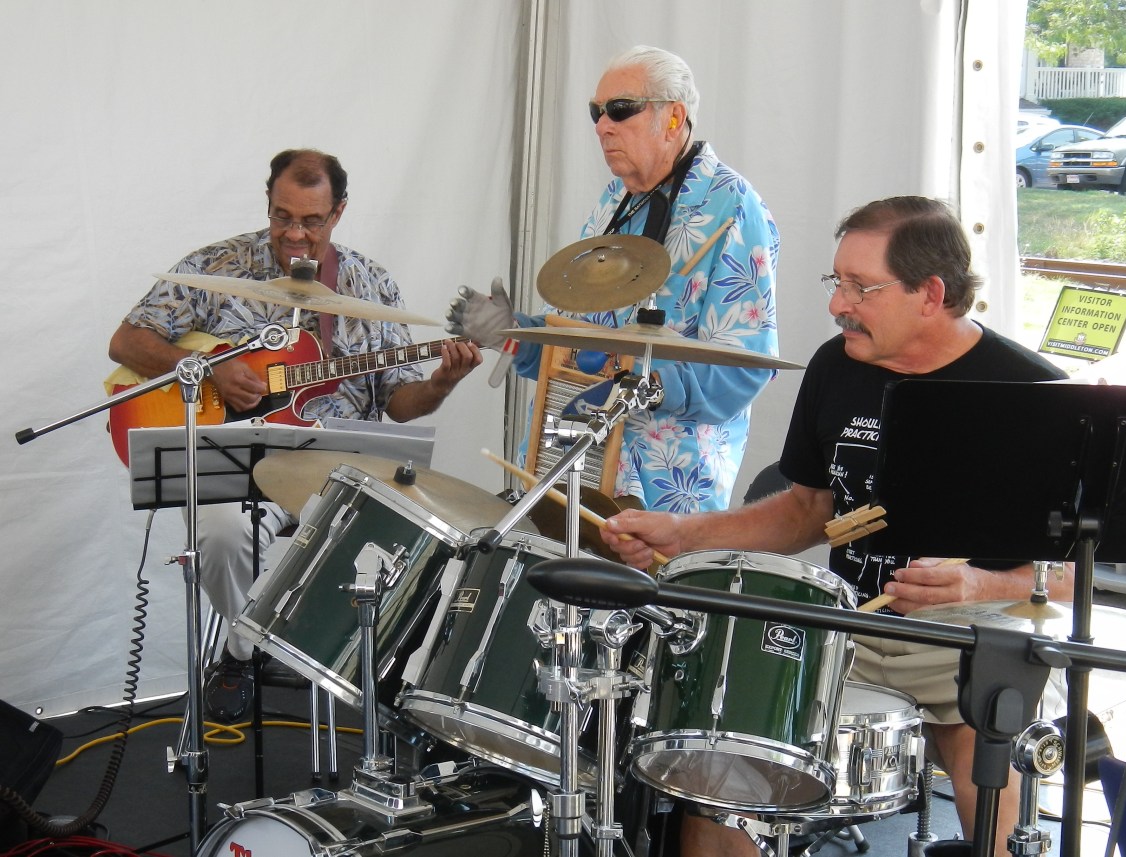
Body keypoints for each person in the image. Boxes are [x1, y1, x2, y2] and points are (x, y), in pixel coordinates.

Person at [600, 196, 1074, 855]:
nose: (837, 304)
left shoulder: (1036, 394)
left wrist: (979, 586)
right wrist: (685, 535)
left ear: (931, 293)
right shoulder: (838, 365)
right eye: (837, 281)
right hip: (847, 627)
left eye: (860, 287)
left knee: (996, 793)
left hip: (971, 641)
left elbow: (1074, 575)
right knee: (721, 771)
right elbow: (806, 510)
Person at [108, 148, 482, 723]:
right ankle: (252, 650)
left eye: (312, 220)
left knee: (419, 542)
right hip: (244, 462)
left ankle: (259, 654)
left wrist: (442, 382)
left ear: (338, 212)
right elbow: (127, 341)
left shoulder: (370, 284)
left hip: (342, 470)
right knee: (219, 532)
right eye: (282, 216)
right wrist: (207, 371)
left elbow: (400, 405)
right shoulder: (217, 267)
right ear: (268, 201)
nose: (295, 234)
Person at [448, 45, 779, 513]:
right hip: (567, 467)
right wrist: (514, 333)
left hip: (660, 495)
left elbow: (745, 367)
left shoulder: (734, 207)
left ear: (673, 117)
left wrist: (640, 383)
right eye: (596, 112)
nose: (602, 126)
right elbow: (576, 347)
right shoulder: (614, 201)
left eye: (621, 109)